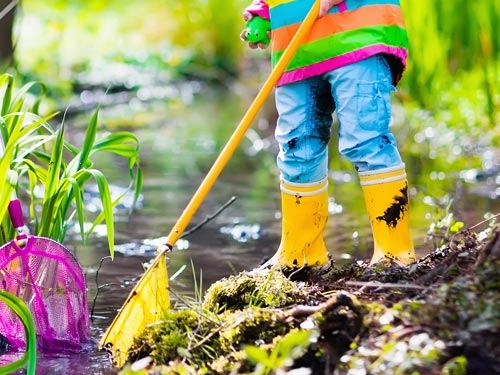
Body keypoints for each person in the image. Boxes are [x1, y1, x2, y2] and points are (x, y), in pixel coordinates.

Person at [240, 0, 416, 270]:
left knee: (366, 139)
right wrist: (266, 11)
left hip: (356, 36)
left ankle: (395, 252)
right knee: (297, 146)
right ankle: (301, 253)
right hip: (297, 50)